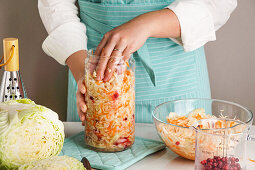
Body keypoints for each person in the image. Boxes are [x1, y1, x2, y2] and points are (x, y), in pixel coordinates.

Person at [38, 0, 237, 123]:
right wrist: (84, 72)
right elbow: (56, 3)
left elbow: (218, 3)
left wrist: (147, 24)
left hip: (178, 82)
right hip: (92, 74)